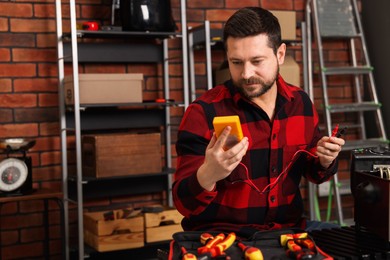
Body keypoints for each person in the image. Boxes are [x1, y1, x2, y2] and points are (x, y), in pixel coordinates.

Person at [172, 7, 345, 237]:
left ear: (280, 54)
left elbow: (314, 173)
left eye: (256, 61)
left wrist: (325, 161)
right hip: (223, 239)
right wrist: (208, 174)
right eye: (236, 62)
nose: (246, 73)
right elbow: (183, 204)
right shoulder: (202, 112)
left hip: (288, 232)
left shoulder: (300, 103)